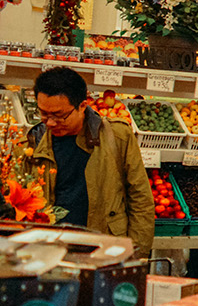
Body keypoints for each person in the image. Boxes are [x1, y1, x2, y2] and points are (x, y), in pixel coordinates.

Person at [24, 67, 153, 252]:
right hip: (48, 251)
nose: (50, 122)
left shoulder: (117, 137)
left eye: (59, 116)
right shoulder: (31, 144)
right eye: (44, 114)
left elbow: (140, 199)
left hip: (103, 247)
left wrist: (136, 254)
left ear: (82, 106)